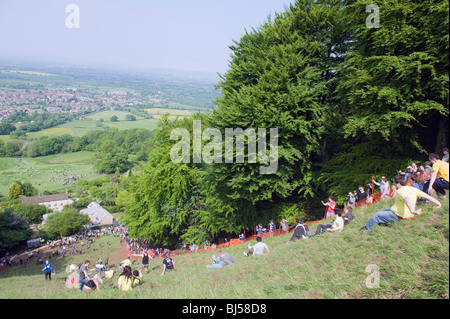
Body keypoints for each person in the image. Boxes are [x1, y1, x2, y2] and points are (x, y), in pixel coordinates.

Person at [362, 175, 442, 231]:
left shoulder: (400, 191)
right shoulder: (412, 189)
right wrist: (439, 203)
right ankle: (379, 224)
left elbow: (407, 199)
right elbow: (427, 196)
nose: (393, 184)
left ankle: (367, 229)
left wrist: (412, 211)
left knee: (376, 215)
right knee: (383, 211)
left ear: (398, 184)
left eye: (394, 183)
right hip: (400, 213)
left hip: (399, 215)